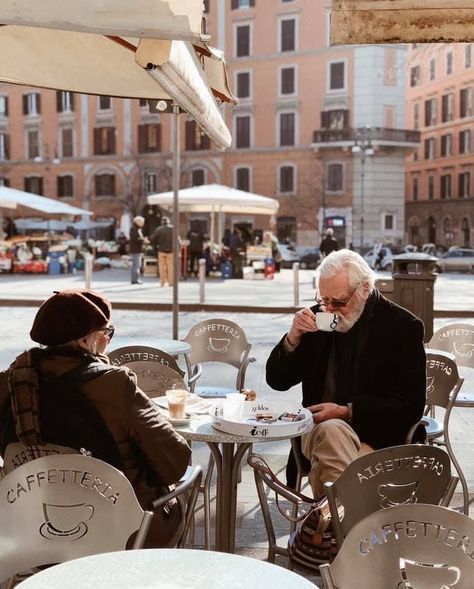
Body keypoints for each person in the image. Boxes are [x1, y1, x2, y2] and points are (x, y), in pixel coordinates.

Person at [0, 288, 191, 547]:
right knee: (187, 484)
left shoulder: (9, 382)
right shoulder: (114, 384)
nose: (108, 341)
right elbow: (175, 462)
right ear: (84, 340)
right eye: (107, 333)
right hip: (118, 530)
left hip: (32, 527)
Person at [266, 249, 426, 497]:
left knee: (337, 461)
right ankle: (354, 528)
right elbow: (276, 381)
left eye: (338, 302)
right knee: (331, 430)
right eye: (323, 300)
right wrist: (293, 337)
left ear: (364, 289)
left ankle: (329, 526)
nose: (329, 309)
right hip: (316, 430)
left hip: (377, 437)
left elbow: (411, 405)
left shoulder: (403, 326)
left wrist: (347, 411)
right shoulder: (315, 320)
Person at [150, 216, 176, 287]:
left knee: (162, 267)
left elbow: (153, 238)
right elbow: (177, 239)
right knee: (171, 267)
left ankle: (162, 282)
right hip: (171, 251)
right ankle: (171, 283)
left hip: (161, 250)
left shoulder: (159, 229)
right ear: (168, 222)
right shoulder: (173, 229)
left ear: (162, 222)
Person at [129, 216, 148, 285]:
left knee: (137, 264)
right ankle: (134, 279)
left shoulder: (137, 229)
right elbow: (134, 239)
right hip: (135, 249)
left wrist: (142, 239)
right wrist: (143, 240)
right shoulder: (134, 229)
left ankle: (135, 279)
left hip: (137, 249)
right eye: (142, 222)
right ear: (138, 222)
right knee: (136, 265)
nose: (143, 223)